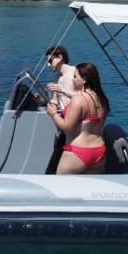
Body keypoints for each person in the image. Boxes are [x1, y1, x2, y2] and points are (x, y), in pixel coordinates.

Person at [45, 62, 109, 174]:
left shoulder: (78, 100)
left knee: (61, 184)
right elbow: (86, 100)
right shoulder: (101, 98)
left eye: (75, 76)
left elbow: (67, 127)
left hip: (79, 152)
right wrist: (63, 91)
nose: (72, 80)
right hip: (99, 151)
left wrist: (53, 114)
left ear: (84, 80)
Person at [44, 45, 77, 174]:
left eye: (50, 61)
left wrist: (62, 90)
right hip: (63, 126)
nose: (48, 65)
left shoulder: (75, 74)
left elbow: (86, 97)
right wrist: (51, 103)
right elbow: (56, 101)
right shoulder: (59, 78)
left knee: (53, 169)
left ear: (60, 57)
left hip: (73, 128)